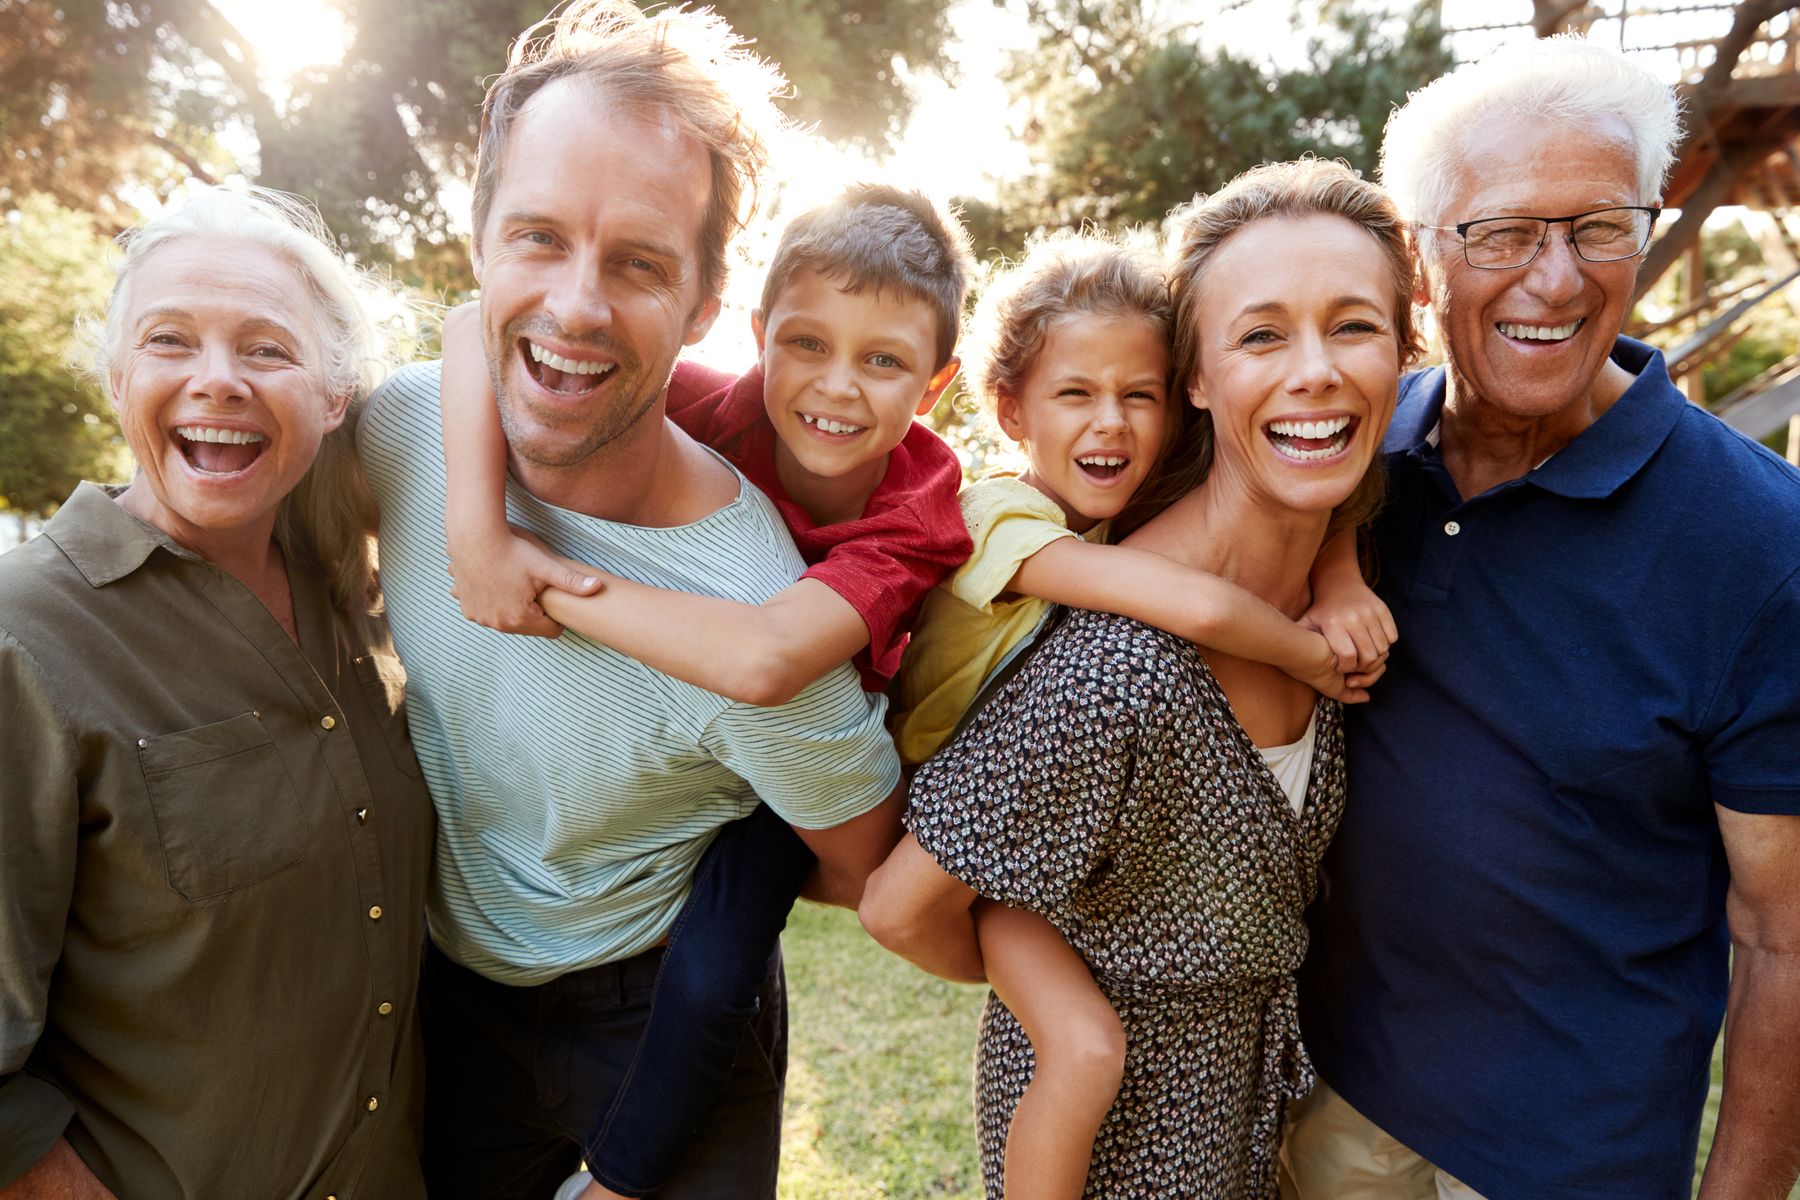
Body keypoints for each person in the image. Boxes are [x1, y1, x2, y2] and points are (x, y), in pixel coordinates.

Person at [354, 4, 902, 1198]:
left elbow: (865, 857)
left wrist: (732, 862)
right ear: (479, 244)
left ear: (705, 306)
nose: (576, 306)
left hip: (661, 1018)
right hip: (447, 996)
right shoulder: (399, 431)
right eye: (538, 237)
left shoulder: (754, 608)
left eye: (640, 263)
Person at [1289, 38, 1800, 1200]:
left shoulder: (1763, 546)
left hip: (1575, 1161)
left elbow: (1785, 936)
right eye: (1506, 232)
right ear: (1421, 260)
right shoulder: (1341, 462)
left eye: (1600, 227)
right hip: (1334, 1100)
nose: (1558, 279)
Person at [860, 157, 1420, 1200]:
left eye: (1353, 327)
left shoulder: (1342, 579)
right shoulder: (1113, 663)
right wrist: (1061, 997)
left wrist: (1339, 582)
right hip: (1119, 1151)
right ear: (1203, 376)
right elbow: (900, 908)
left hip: (1257, 1122)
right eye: (1262, 335)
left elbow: (1339, 499)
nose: (1314, 372)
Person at [433, 181, 976, 1196]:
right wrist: (474, 528)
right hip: (670, 749)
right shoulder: (700, 403)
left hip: (800, 772)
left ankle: (618, 1184)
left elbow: (768, 663)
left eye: (884, 361)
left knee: (715, 968)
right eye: (807, 344)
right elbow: (472, 328)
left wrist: (531, 579)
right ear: (760, 335)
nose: (837, 387)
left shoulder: (918, 511)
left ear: (936, 384)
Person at [0, 186, 432, 1200]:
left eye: (267, 349)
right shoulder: (25, 637)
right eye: (170, 340)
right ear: (117, 376)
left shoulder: (361, 601)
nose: (219, 380)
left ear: (335, 396)